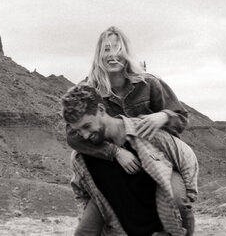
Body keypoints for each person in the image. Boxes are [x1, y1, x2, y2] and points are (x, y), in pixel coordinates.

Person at [62, 85, 199, 236]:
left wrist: (188, 197)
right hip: (122, 226)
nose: (85, 135)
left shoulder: (143, 130)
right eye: (78, 131)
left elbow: (185, 155)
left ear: (101, 110)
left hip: (162, 223)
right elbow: (81, 193)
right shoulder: (81, 157)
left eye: (87, 126)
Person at [67, 26, 189, 175]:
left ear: (127, 53)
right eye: (106, 49)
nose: (112, 55)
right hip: (118, 165)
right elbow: (72, 135)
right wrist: (115, 152)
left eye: (118, 49)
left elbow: (181, 118)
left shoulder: (149, 83)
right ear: (98, 55)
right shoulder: (89, 91)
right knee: (77, 158)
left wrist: (163, 116)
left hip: (157, 160)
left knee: (176, 196)